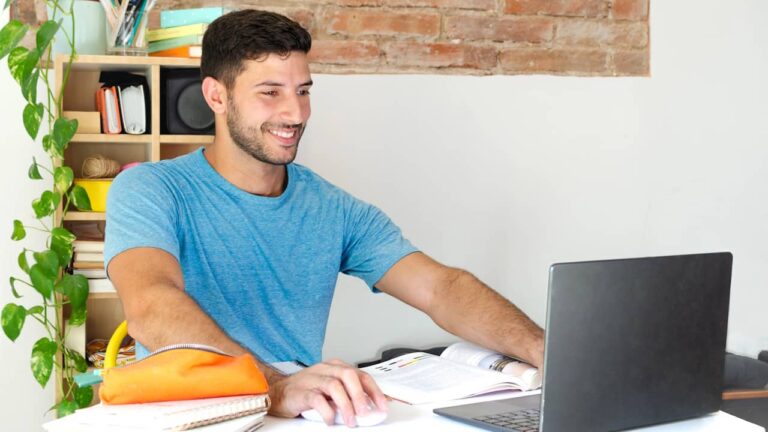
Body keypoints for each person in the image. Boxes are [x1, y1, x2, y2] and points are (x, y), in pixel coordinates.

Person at [105, 9, 544, 427]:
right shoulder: (151, 189)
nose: (295, 114)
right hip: (192, 416)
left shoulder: (333, 208)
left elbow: (440, 288)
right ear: (216, 96)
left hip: (297, 415)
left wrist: (547, 349)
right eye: (270, 92)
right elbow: (150, 305)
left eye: (303, 91)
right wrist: (272, 387)